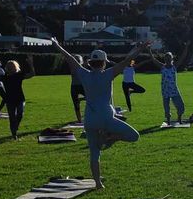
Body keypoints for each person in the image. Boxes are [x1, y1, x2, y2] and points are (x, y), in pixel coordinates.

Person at [51, 38, 145, 189]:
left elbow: (69, 57)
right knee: (134, 136)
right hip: (106, 118)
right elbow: (127, 60)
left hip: (89, 119)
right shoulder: (108, 74)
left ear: (90, 63)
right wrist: (140, 49)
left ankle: (98, 183)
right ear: (104, 62)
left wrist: (56, 45)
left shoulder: (83, 73)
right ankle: (110, 136)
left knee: (94, 154)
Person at [142, 50, 186, 125]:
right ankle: (168, 120)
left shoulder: (174, 66)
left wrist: (186, 47)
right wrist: (149, 50)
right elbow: (153, 59)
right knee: (166, 107)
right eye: (166, 58)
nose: (168, 60)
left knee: (180, 105)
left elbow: (182, 58)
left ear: (172, 59)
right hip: (165, 90)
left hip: (174, 90)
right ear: (164, 59)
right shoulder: (162, 67)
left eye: (169, 58)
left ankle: (179, 118)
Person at [0, 58, 35, 139]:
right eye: (9, 67)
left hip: (20, 99)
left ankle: (16, 126)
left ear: (16, 67)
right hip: (9, 100)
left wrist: (31, 64)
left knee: (20, 113)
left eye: (12, 66)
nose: (11, 68)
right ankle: (14, 134)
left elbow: (32, 74)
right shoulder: (4, 77)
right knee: (12, 118)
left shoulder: (19, 75)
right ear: (7, 68)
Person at [69, 54, 86, 122]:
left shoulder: (81, 67)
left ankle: (80, 121)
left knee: (77, 105)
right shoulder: (77, 67)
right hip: (76, 87)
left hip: (77, 86)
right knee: (76, 105)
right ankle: (79, 121)